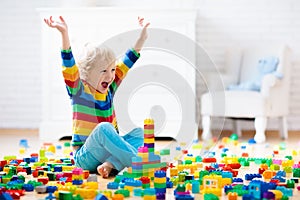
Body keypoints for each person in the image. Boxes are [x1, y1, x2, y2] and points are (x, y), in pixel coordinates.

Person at [44, 16, 150, 178]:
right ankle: (138, 162)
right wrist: (64, 34)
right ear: (87, 74)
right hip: (85, 157)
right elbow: (68, 64)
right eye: (104, 71)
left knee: (139, 133)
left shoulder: (110, 87)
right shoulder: (78, 90)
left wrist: (141, 38)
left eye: (113, 70)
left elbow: (128, 60)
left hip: (106, 152)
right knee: (104, 128)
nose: (110, 76)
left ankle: (111, 164)